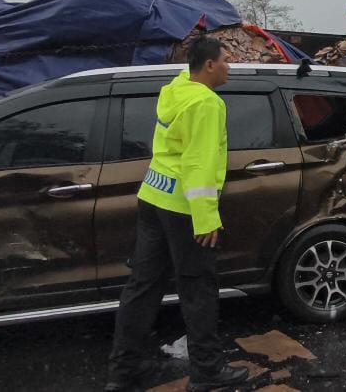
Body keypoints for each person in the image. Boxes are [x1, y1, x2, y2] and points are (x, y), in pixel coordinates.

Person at [106, 39, 249, 392]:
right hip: (184, 209)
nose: (231, 66)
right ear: (210, 66)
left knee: (142, 286)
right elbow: (198, 163)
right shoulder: (206, 103)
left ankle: (125, 371)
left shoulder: (176, 90)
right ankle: (207, 371)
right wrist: (206, 218)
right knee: (198, 288)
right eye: (227, 60)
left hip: (153, 197)